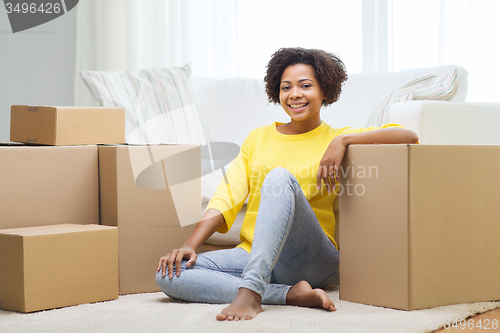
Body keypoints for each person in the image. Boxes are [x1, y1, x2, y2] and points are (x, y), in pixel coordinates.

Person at [156, 47, 419, 321]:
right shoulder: (257, 138)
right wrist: (190, 245)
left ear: (325, 91)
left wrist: (343, 142)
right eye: (286, 87)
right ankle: (288, 294)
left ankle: (251, 294)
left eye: (305, 86)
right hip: (254, 254)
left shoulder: (336, 136)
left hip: (311, 258)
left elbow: (408, 136)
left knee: (279, 178)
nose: (295, 94)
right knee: (169, 275)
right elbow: (227, 196)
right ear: (277, 92)